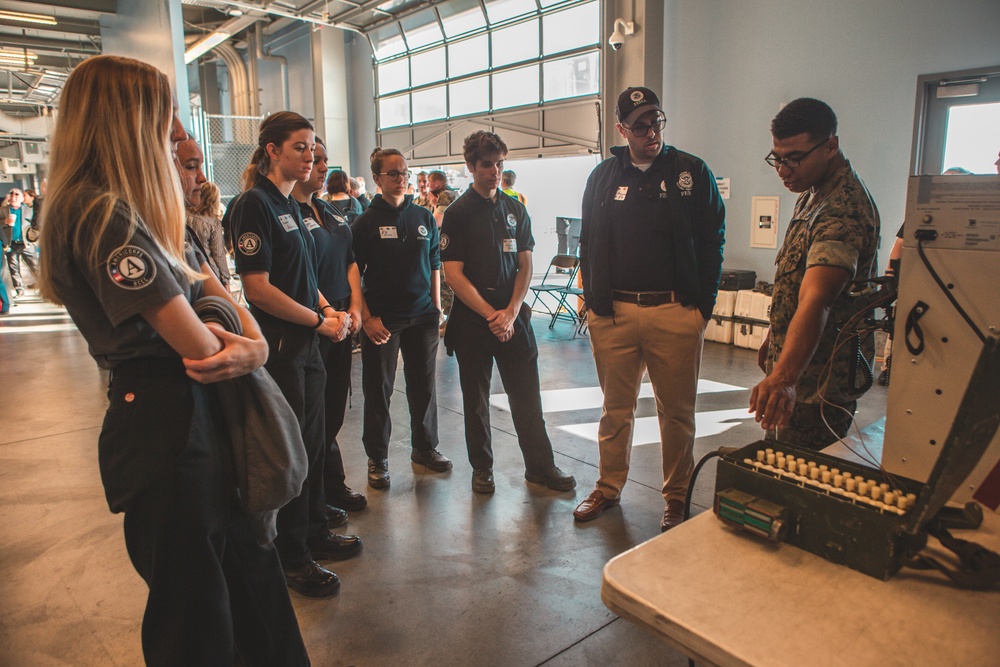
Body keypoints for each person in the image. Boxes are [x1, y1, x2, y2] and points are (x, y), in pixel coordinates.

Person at [36, 55, 308, 666]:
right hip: (165, 420)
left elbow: (214, 290)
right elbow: (202, 345)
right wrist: (243, 338)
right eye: (169, 125)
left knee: (250, 586)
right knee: (196, 618)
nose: (180, 138)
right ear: (128, 123)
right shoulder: (101, 213)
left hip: (197, 418)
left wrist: (255, 343)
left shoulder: (143, 212)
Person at [573, 86, 725, 532]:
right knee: (614, 409)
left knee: (676, 412)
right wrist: (594, 307)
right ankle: (608, 486)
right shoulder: (603, 176)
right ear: (621, 129)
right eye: (639, 124)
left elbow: (714, 238)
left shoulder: (690, 172)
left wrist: (702, 308)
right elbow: (587, 242)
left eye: (656, 120)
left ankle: (676, 496)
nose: (650, 131)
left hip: (674, 312)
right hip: (614, 313)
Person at [225, 111, 362, 598]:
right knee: (290, 452)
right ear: (272, 151)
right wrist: (317, 321)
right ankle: (291, 556)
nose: (309, 157)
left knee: (314, 441)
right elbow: (258, 289)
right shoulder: (254, 205)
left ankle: (313, 533)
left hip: (309, 344)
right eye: (300, 148)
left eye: (311, 149)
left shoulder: (296, 207)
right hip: (284, 347)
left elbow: (307, 279)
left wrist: (330, 309)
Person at [440, 130, 576, 495]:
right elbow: (453, 274)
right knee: (476, 401)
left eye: (499, 164)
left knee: (527, 396)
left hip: (514, 319)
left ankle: (540, 467)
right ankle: (482, 468)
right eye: (486, 165)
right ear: (470, 167)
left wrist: (512, 312)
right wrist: (491, 315)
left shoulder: (516, 208)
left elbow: (525, 265)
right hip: (473, 321)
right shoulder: (457, 213)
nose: (494, 172)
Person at [749, 97, 879, 449]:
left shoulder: (842, 207)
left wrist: (785, 378)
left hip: (818, 385)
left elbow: (817, 299)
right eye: (777, 158)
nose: (783, 170)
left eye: (794, 158)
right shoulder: (813, 193)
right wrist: (774, 337)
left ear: (830, 146)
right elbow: (796, 281)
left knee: (796, 482)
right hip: (800, 372)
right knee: (777, 468)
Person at [352, 147, 451, 489]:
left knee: (423, 387)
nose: (400, 179)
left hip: (422, 316)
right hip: (383, 320)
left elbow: (435, 264)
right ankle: (377, 458)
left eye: (405, 172)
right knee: (378, 391)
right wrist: (366, 318)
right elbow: (352, 274)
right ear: (377, 178)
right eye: (392, 173)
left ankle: (425, 449)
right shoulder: (364, 222)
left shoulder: (422, 217)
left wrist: (436, 307)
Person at [291, 138, 368, 513]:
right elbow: (300, 273)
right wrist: (329, 315)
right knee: (313, 417)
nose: (320, 166)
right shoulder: (288, 213)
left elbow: (350, 260)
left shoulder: (329, 211)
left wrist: (354, 306)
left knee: (333, 409)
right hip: (314, 320)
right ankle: (317, 498)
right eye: (313, 159)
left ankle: (330, 486)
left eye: (323, 160)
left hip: (343, 315)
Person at [175, 135, 231, 288]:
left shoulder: (182, 225)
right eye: (191, 167)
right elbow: (219, 255)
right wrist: (226, 281)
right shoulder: (212, 224)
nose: (202, 178)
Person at [1, 188, 38, 295]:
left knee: (35, 266)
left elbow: (36, 225)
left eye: (17, 194)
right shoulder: (3, 210)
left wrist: (34, 239)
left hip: (26, 243)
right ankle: (20, 290)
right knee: (14, 268)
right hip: (11, 243)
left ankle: (44, 287)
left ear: (22, 198)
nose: (14, 196)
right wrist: (4, 221)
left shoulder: (29, 210)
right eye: (11, 194)